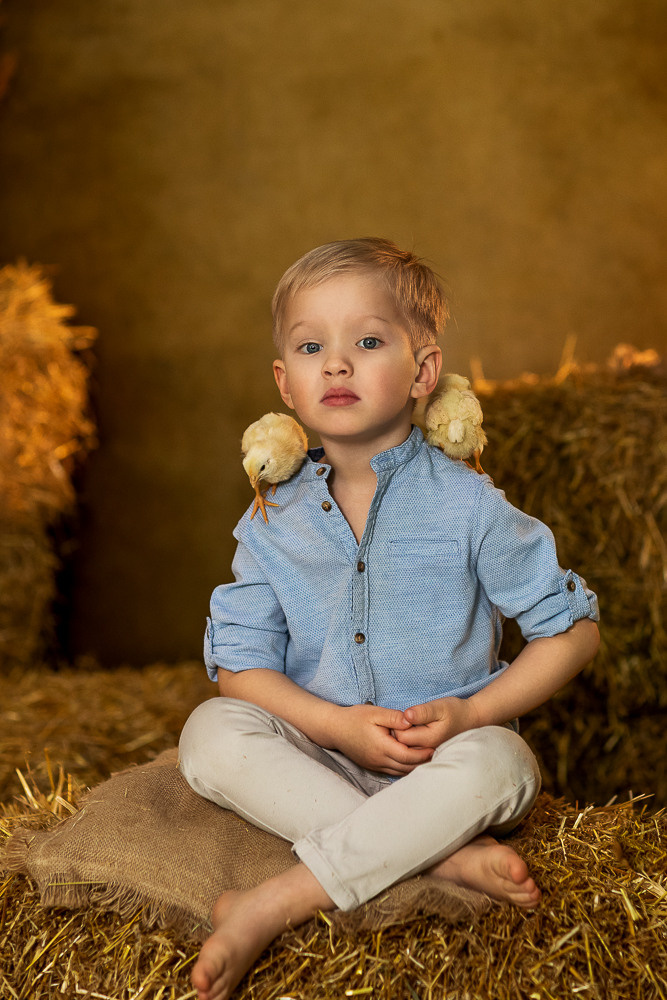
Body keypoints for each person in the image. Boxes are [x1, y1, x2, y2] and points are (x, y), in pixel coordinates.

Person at [178, 238, 600, 1000]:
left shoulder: (468, 505)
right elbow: (238, 669)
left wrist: (472, 710)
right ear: (286, 383)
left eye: (367, 341)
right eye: (311, 347)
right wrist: (332, 727)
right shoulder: (271, 518)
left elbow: (573, 630)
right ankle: (440, 857)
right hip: (317, 755)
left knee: (504, 765)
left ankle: (272, 903)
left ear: (423, 372)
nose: (335, 365)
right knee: (208, 736)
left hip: (442, 764)